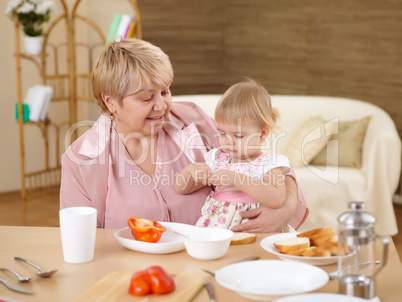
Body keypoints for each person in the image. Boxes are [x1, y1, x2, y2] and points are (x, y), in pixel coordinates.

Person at [60, 38, 308, 231]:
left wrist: (285, 208)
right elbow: (81, 237)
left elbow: (268, 165)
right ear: (110, 101)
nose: (161, 106)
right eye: (146, 98)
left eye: (165, 92)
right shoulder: (82, 159)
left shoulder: (193, 121)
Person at [175, 80, 295, 231]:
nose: (228, 142)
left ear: (262, 134)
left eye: (238, 136)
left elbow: (276, 199)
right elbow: (181, 188)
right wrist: (191, 171)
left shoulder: (269, 162)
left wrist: (236, 178)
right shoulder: (218, 159)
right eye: (222, 133)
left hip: (254, 228)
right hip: (217, 227)